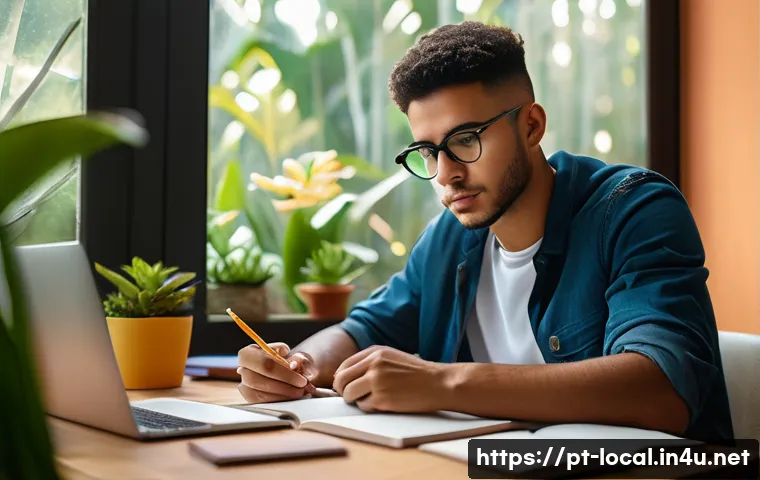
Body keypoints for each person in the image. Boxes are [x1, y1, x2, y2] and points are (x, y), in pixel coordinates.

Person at [236, 21, 733, 442]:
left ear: (532, 126)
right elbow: (364, 328)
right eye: (429, 151)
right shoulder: (450, 238)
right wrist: (299, 365)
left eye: (466, 139)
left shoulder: (634, 208)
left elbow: (663, 390)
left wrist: (444, 383)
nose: (447, 173)